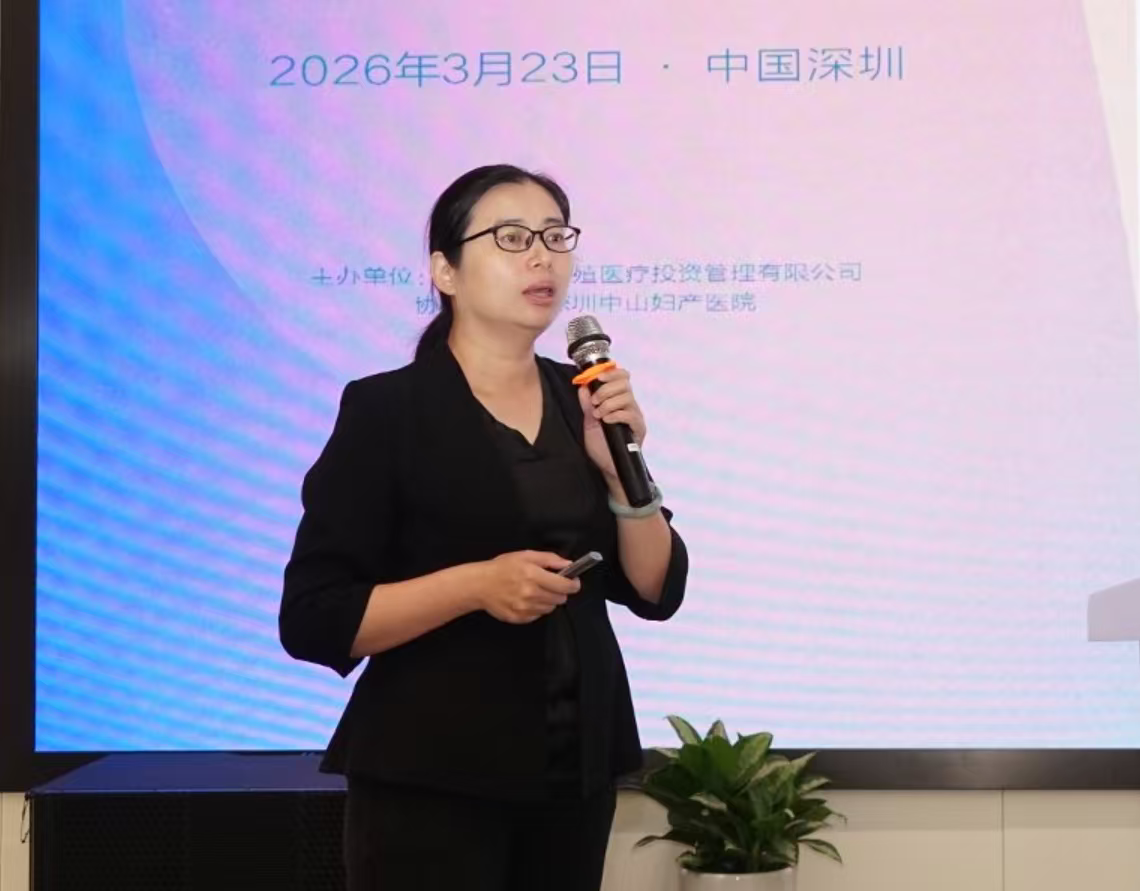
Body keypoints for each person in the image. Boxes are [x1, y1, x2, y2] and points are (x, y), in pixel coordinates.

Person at [279, 163, 689, 891]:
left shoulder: (584, 399)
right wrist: (475, 586)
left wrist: (618, 475)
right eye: (511, 238)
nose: (542, 257)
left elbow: (655, 588)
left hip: (574, 769)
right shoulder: (387, 411)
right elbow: (314, 618)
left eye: (555, 236)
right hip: (431, 776)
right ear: (446, 271)